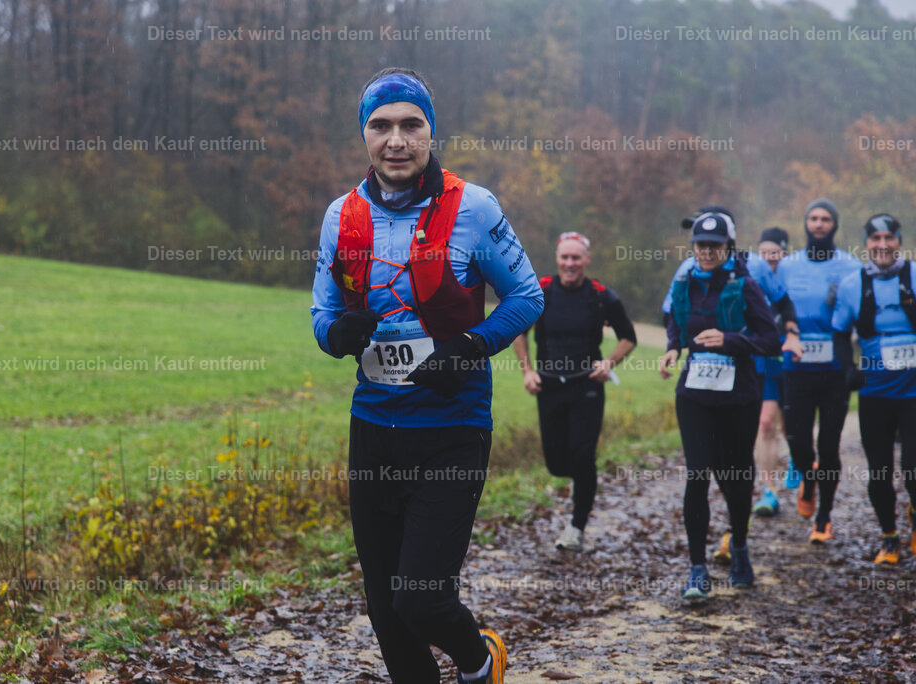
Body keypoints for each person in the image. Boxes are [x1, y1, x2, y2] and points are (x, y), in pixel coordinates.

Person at [311, 67, 543, 684]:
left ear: (430, 133)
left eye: (411, 126)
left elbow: (526, 297)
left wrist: (470, 347)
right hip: (374, 428)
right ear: (364, 135)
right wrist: (336, 335)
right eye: (380, 126)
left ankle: (477, 660)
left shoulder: (473, 207)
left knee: (422, 599)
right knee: (386, 607)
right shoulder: (342, 215)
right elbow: (321, 314)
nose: (396, 140)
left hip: (451, 428)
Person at [661, 209, 803, 561]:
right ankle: (697, 569)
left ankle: (738, 541)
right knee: (698, 474)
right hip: (693, 393)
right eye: (700, 245)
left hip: (739, 392)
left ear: (729, 246)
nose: (706, 251)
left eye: (714, 245)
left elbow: (770, 340)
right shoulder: (684, 280)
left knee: (736, 474)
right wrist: (672, 349)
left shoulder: (747, 282)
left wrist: (729, 340)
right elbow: (677, 322)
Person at [512, 231, 637, 551]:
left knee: (583, 456)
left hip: (587, 386)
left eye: (576, 257)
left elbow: (628, 337)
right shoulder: (541, 291)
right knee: (556, 463)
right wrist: (527, 371)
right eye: (565, 257)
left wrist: (609, 363)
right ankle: (583, 482)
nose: (570, 263)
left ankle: (576, 528)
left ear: (586, 260)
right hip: (550, 385)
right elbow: (518, 331)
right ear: (557, 259)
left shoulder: (600, 295)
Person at [832, 214, 916, 564]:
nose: (882, 245)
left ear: (899, 240)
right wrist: (848, 369)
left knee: (913, 465)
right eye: (875, 239)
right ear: (866, 243)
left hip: (913, 392)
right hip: (875, 392)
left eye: (888, 238)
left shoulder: (913, 275)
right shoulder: (852, 284)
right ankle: (889, 537)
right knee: (879, 468)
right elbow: (839, 332)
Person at [777, 199, 862, 544]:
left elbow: (860, 313)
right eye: (813, 218)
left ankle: (824, 517)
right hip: (795, 366)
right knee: (798, 442)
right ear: (805, 225)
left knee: (829, 445)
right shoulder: (786, 266)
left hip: (834, 369)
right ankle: (807, 478)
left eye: (826, 218)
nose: (819, 224)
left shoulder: (851, 267)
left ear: (834, 225)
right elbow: (772, 307)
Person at [752, 227, 804, 517]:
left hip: (794, 361)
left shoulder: (792, 280)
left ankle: (799, 459)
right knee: (765, 423)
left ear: (784, 253)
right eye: (764, 252)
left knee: (792, 425)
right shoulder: (752, 278)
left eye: (775, 252)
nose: (769, 257)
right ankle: (768, 491)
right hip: (765, 361)